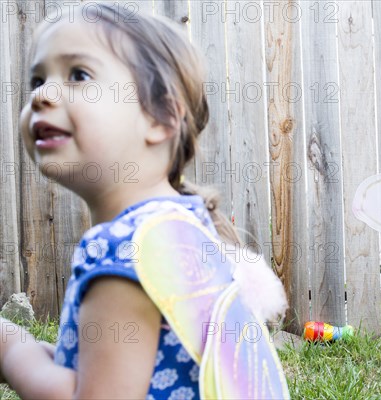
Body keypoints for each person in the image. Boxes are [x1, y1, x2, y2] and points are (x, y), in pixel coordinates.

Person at [0, 3, 288, 399]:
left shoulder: (125, 247)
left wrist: (13, 349)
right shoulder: (177, 227)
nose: (42, 96)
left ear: (161, 118)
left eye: (78, 75)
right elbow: (102, 367)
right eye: (37, 80)